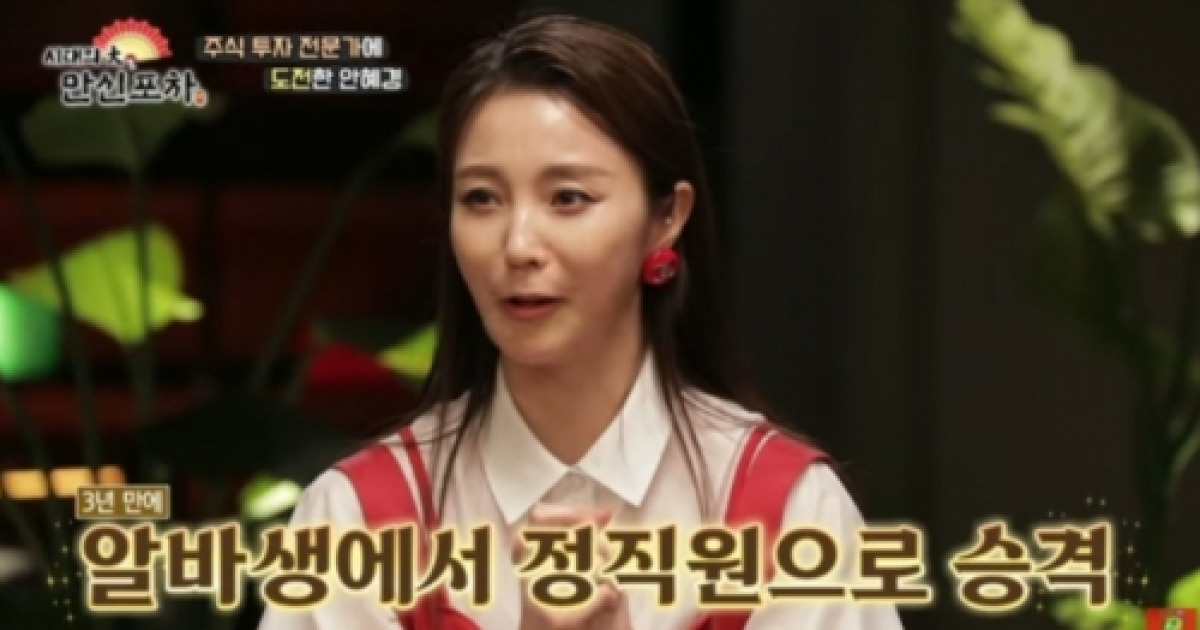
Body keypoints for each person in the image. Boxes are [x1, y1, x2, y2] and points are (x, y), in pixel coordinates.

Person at [260, 12, 905, 630]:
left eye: (568, 198)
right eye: (481, 199)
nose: (518, 245)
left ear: (667, 217)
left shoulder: (791, 514)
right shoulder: (356, 522)